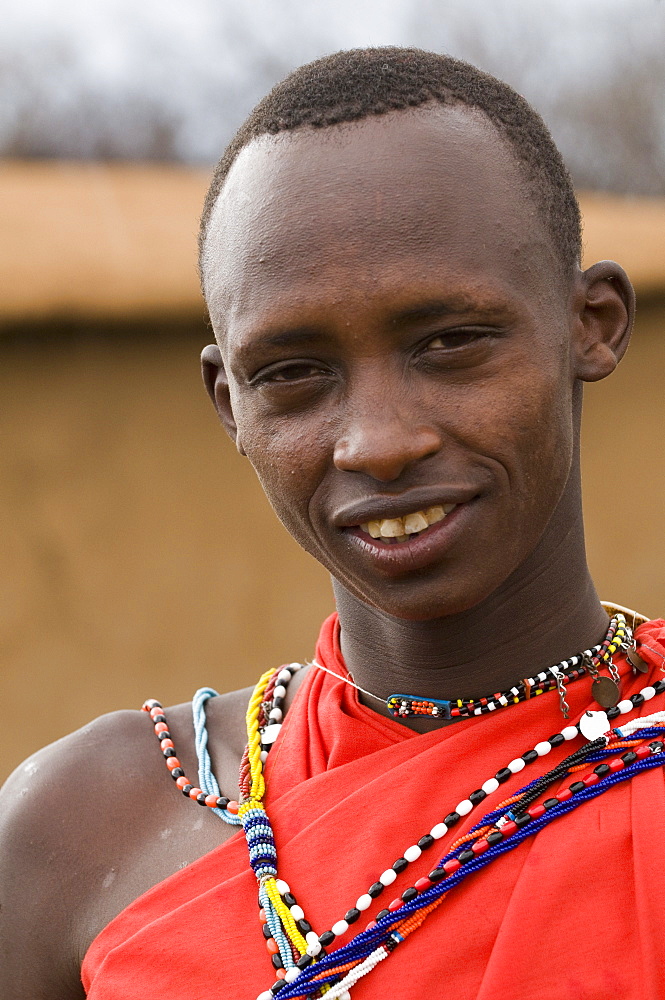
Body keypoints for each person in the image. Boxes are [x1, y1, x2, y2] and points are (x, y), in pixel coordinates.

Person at [2, 46, 664, 1000]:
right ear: (229, 403)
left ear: (589, 324)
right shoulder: (84, 830)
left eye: (450, 342)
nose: (378, 442)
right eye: (293, 373)